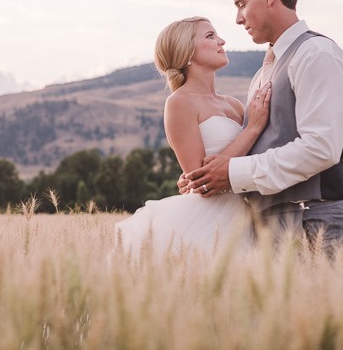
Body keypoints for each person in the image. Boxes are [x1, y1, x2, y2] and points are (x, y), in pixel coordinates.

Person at [179, 0, 343, 255]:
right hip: (270, 228)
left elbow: (320, 147)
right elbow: (267, 138)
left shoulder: (316, 54)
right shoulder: (261, 74)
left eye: (241, 4)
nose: (238, 18)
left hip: (313, 220)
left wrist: (232, 172)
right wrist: (201, 177)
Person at [114, 16, 272, 257]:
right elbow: (202, 180)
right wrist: (253, 128)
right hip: (209, 220)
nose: (222, 41)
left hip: (248, 215)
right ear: (186, 52)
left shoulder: (235, 105)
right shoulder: (179, 103)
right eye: (210, 36)